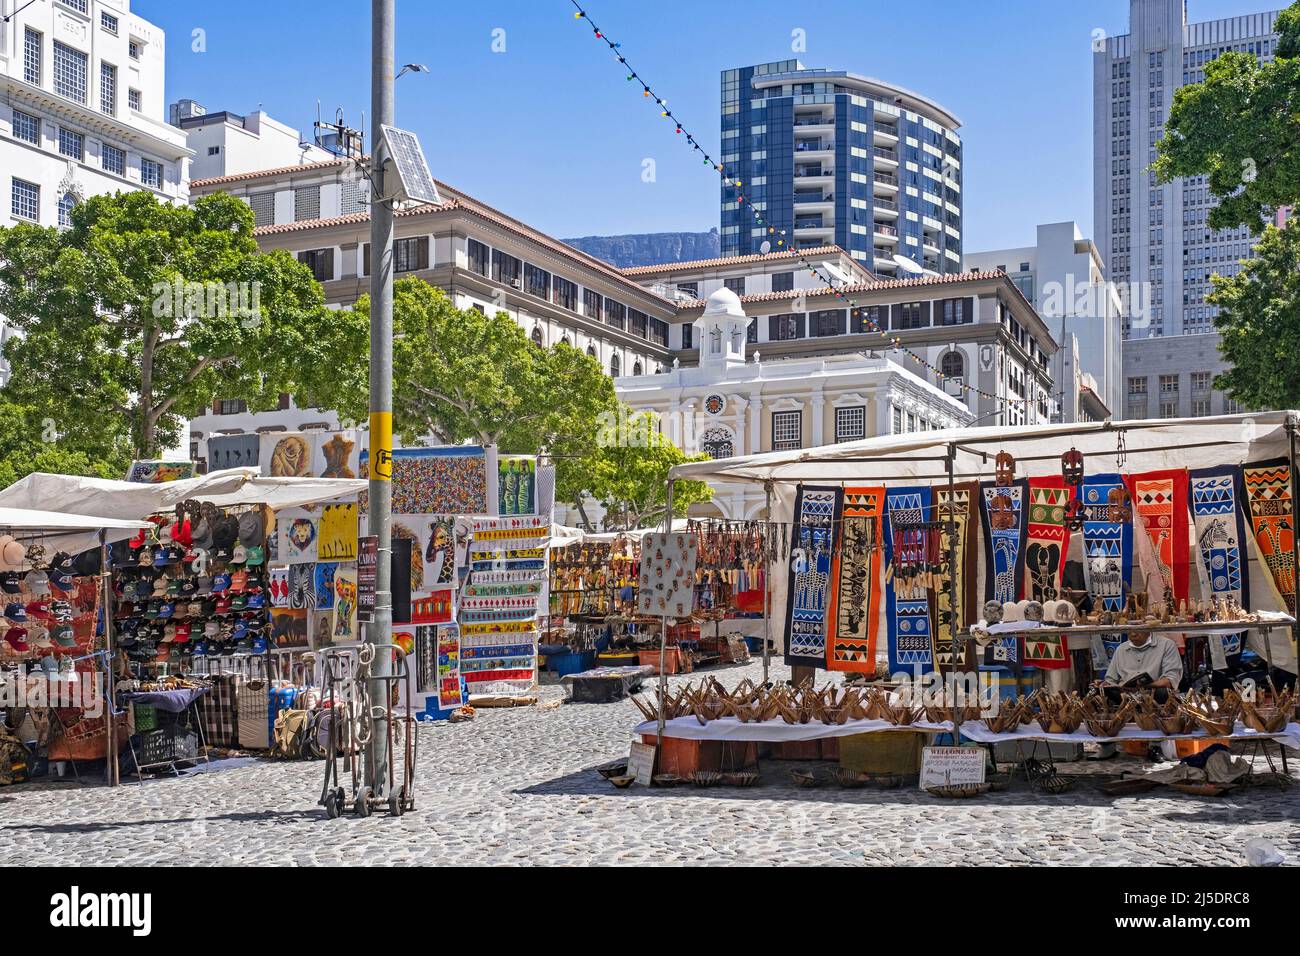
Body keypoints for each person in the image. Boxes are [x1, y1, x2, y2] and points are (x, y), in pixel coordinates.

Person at [1090, 630, 1184, 760]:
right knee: (1099, 694)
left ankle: (1155, 746)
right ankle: (1107, 745)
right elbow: (1111, 679)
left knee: (1164, 693)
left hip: (1153, 693)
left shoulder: (1166, 645)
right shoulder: (1121, 649)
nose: (1132, 634)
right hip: (1125, 694)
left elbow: (1170, 679)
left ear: (1148, 630)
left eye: (1137, 631)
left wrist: (1147, 686)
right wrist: (1102, 684)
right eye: (1129, 631)